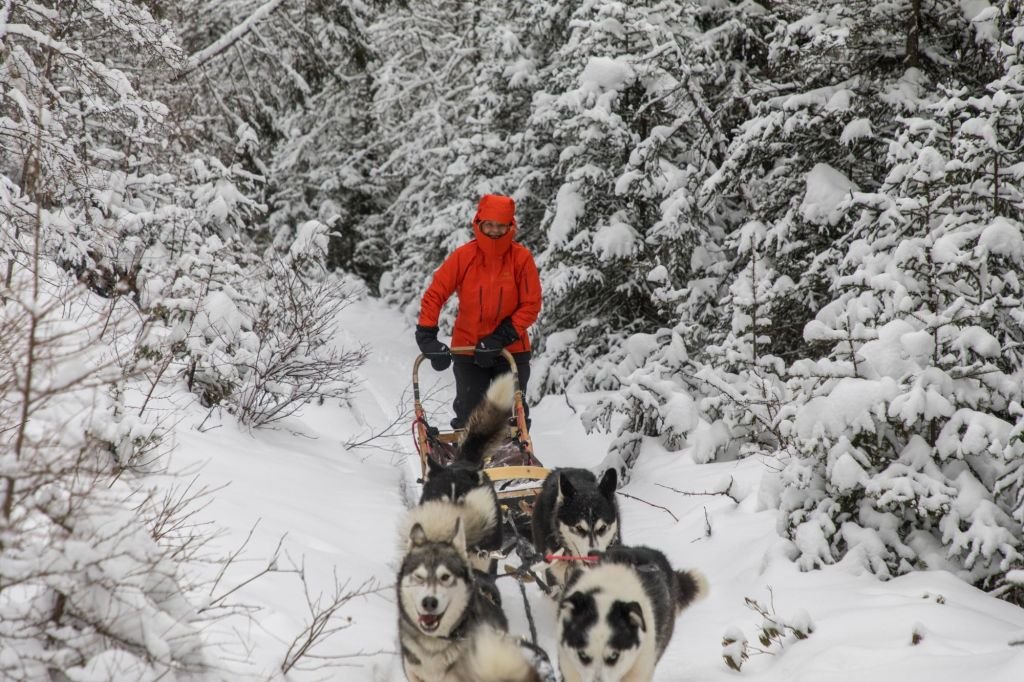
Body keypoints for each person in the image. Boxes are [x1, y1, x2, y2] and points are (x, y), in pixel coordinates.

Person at [415, 194, 542, 429]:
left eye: (500, 225)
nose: (494, 230)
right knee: (471, 416)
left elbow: (531, 304)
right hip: (468, 350)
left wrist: (499, 338)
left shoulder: (521, 258)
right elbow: (435, 293)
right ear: (479, 223)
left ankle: (513, 461)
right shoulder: (464, 256)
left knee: (511, 417)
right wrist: (427, 337)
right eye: (489, 224)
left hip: (510, 351)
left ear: (510, 225)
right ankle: (468, 462)